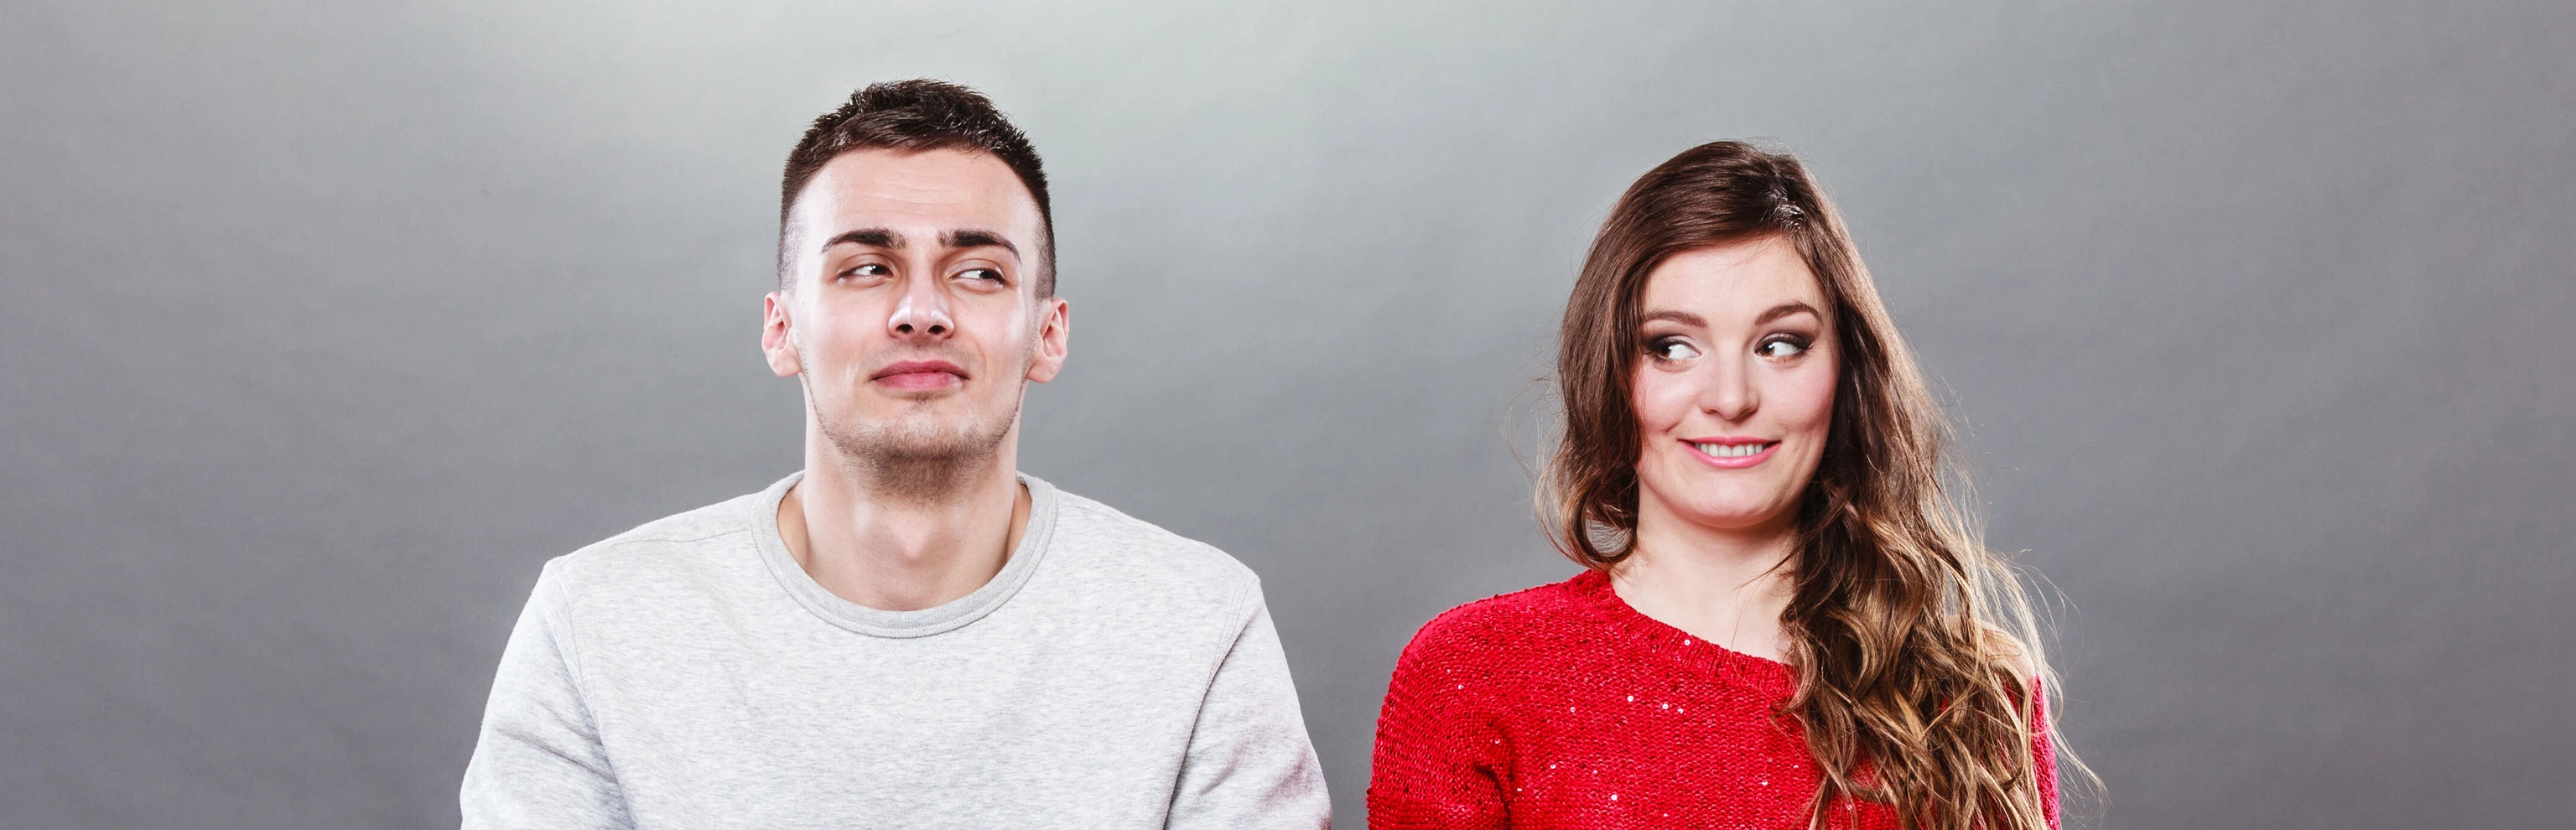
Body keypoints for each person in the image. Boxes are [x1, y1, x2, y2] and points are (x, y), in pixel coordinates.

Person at [460, 80, 1330, 829]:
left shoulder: (1199, 626)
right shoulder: (599, 621)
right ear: (782, 327)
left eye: (980, 272)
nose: (921, 310)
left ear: (1048, 335)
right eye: (866, 268)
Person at [1368, 142, 2068, 830]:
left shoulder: (1971, 693)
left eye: (1780, 344)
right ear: (1608, 373)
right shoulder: (1472, 674)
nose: (1730, 398)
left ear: (1845, 374)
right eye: (1671, 347)